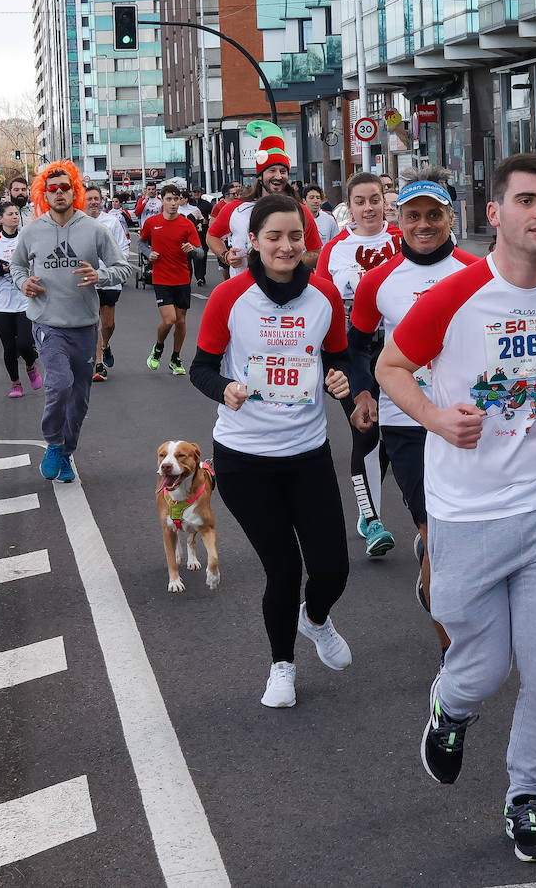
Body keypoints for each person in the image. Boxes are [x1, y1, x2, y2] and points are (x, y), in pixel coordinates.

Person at [378, 153, 536, 864]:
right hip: (465, 513)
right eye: (525, 200)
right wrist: (438, 419)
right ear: (494, 214)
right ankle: (453, 705)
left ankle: (525, 799)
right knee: (485, 666)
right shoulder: (453, 297)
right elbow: (390, 368)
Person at [189, 192, 355, 708]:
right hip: (244, 457)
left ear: (308, 241)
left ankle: (316, 618)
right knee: (283, 569)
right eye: (274, 237)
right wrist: (226, 390)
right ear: (253, 242)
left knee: (331, 569)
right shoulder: (230, 298)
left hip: (307, 451)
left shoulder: (324, 296)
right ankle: (281, 665)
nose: (286, 246)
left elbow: (343, 360)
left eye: (296, 237)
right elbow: (201, 369)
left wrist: (343, 382)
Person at [349, 169, 477, 654]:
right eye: (412, 215)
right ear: (397, 219)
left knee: (460, 530)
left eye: (433, 214)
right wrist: (364, 394)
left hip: (469, 420)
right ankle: (453, 653)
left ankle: (440, 576)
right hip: (407, 422)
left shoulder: (477, 271)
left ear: (450, 217)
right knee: (434, 530)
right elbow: (356, 347)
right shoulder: (379, 282)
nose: (424, 224)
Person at [12, 161, 131, 483]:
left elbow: (123, 267)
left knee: (79, 398)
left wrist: (100, 275)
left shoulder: (94, 229)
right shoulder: (32, 230)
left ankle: (66, 452)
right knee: (59, 384)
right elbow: (17, 266)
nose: (60, 193)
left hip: (84, 325)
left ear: (75, 191)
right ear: (44, 194)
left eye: (66, 188)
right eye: (53, 189)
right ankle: (53, 442)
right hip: (47, 322)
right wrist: (24, 283)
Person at [313, 172, 402, 556]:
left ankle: (379, 512)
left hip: (400, 350)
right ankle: (371, 518)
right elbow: (318, 299)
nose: (368, 208)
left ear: (385, 201)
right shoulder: (335, 248)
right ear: (348, 207)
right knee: (366, 430)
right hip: (351, 350)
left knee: (394, 431)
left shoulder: (403, 240)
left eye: (375, 199)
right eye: (360, 201)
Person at [206, 128, 324, 276]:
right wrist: (226, 255)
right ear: (260, 176)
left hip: (287, 290)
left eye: (283, 171)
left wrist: (287, 260)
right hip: (245, 290)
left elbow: (316, 252)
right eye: (272, 171)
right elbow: (212, 236)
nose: (278, 176)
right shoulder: (236, 208)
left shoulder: (299, 210)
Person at [0, 201, 42, 399]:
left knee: (24, 343)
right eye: (10, 214)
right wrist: (2, 270)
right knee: (8, 347)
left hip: (24, 300)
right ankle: (16, 383)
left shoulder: (27, 239)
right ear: (0, 219)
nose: (15, 216)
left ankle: (31, 365)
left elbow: (38, 265)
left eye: (16, 213)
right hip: (1, 303)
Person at [142, 183, 203, 375]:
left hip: (182, 278)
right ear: (162, 200)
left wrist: (192, 250)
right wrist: (148, 253)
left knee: (181, 321)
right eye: (169, 199)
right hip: (161, 278)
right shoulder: (152, 222)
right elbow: (142, 242)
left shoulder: (187, 224)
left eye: (176, 199)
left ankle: (175, 358)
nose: (173, 203)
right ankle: (158, 347)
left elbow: (201, 253)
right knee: (169, 320)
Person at [85, 185, 131, 382]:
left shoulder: (112, 222)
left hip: (109, 279)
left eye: (97, 198)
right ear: (83, 201)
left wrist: (117, 270)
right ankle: (98, 363)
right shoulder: (78, 223)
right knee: (93, 323)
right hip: (88, 280)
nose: (94, 202)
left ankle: (105, 345)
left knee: (108, 324)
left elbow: (123, 248)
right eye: (90, 199)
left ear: (102, 201)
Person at [0, 176, 31, 240]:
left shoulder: (35, 212)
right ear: (9, 192)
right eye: (16, 190)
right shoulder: (1, 212)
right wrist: (3, 245)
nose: (20, 192)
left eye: (23, 189)